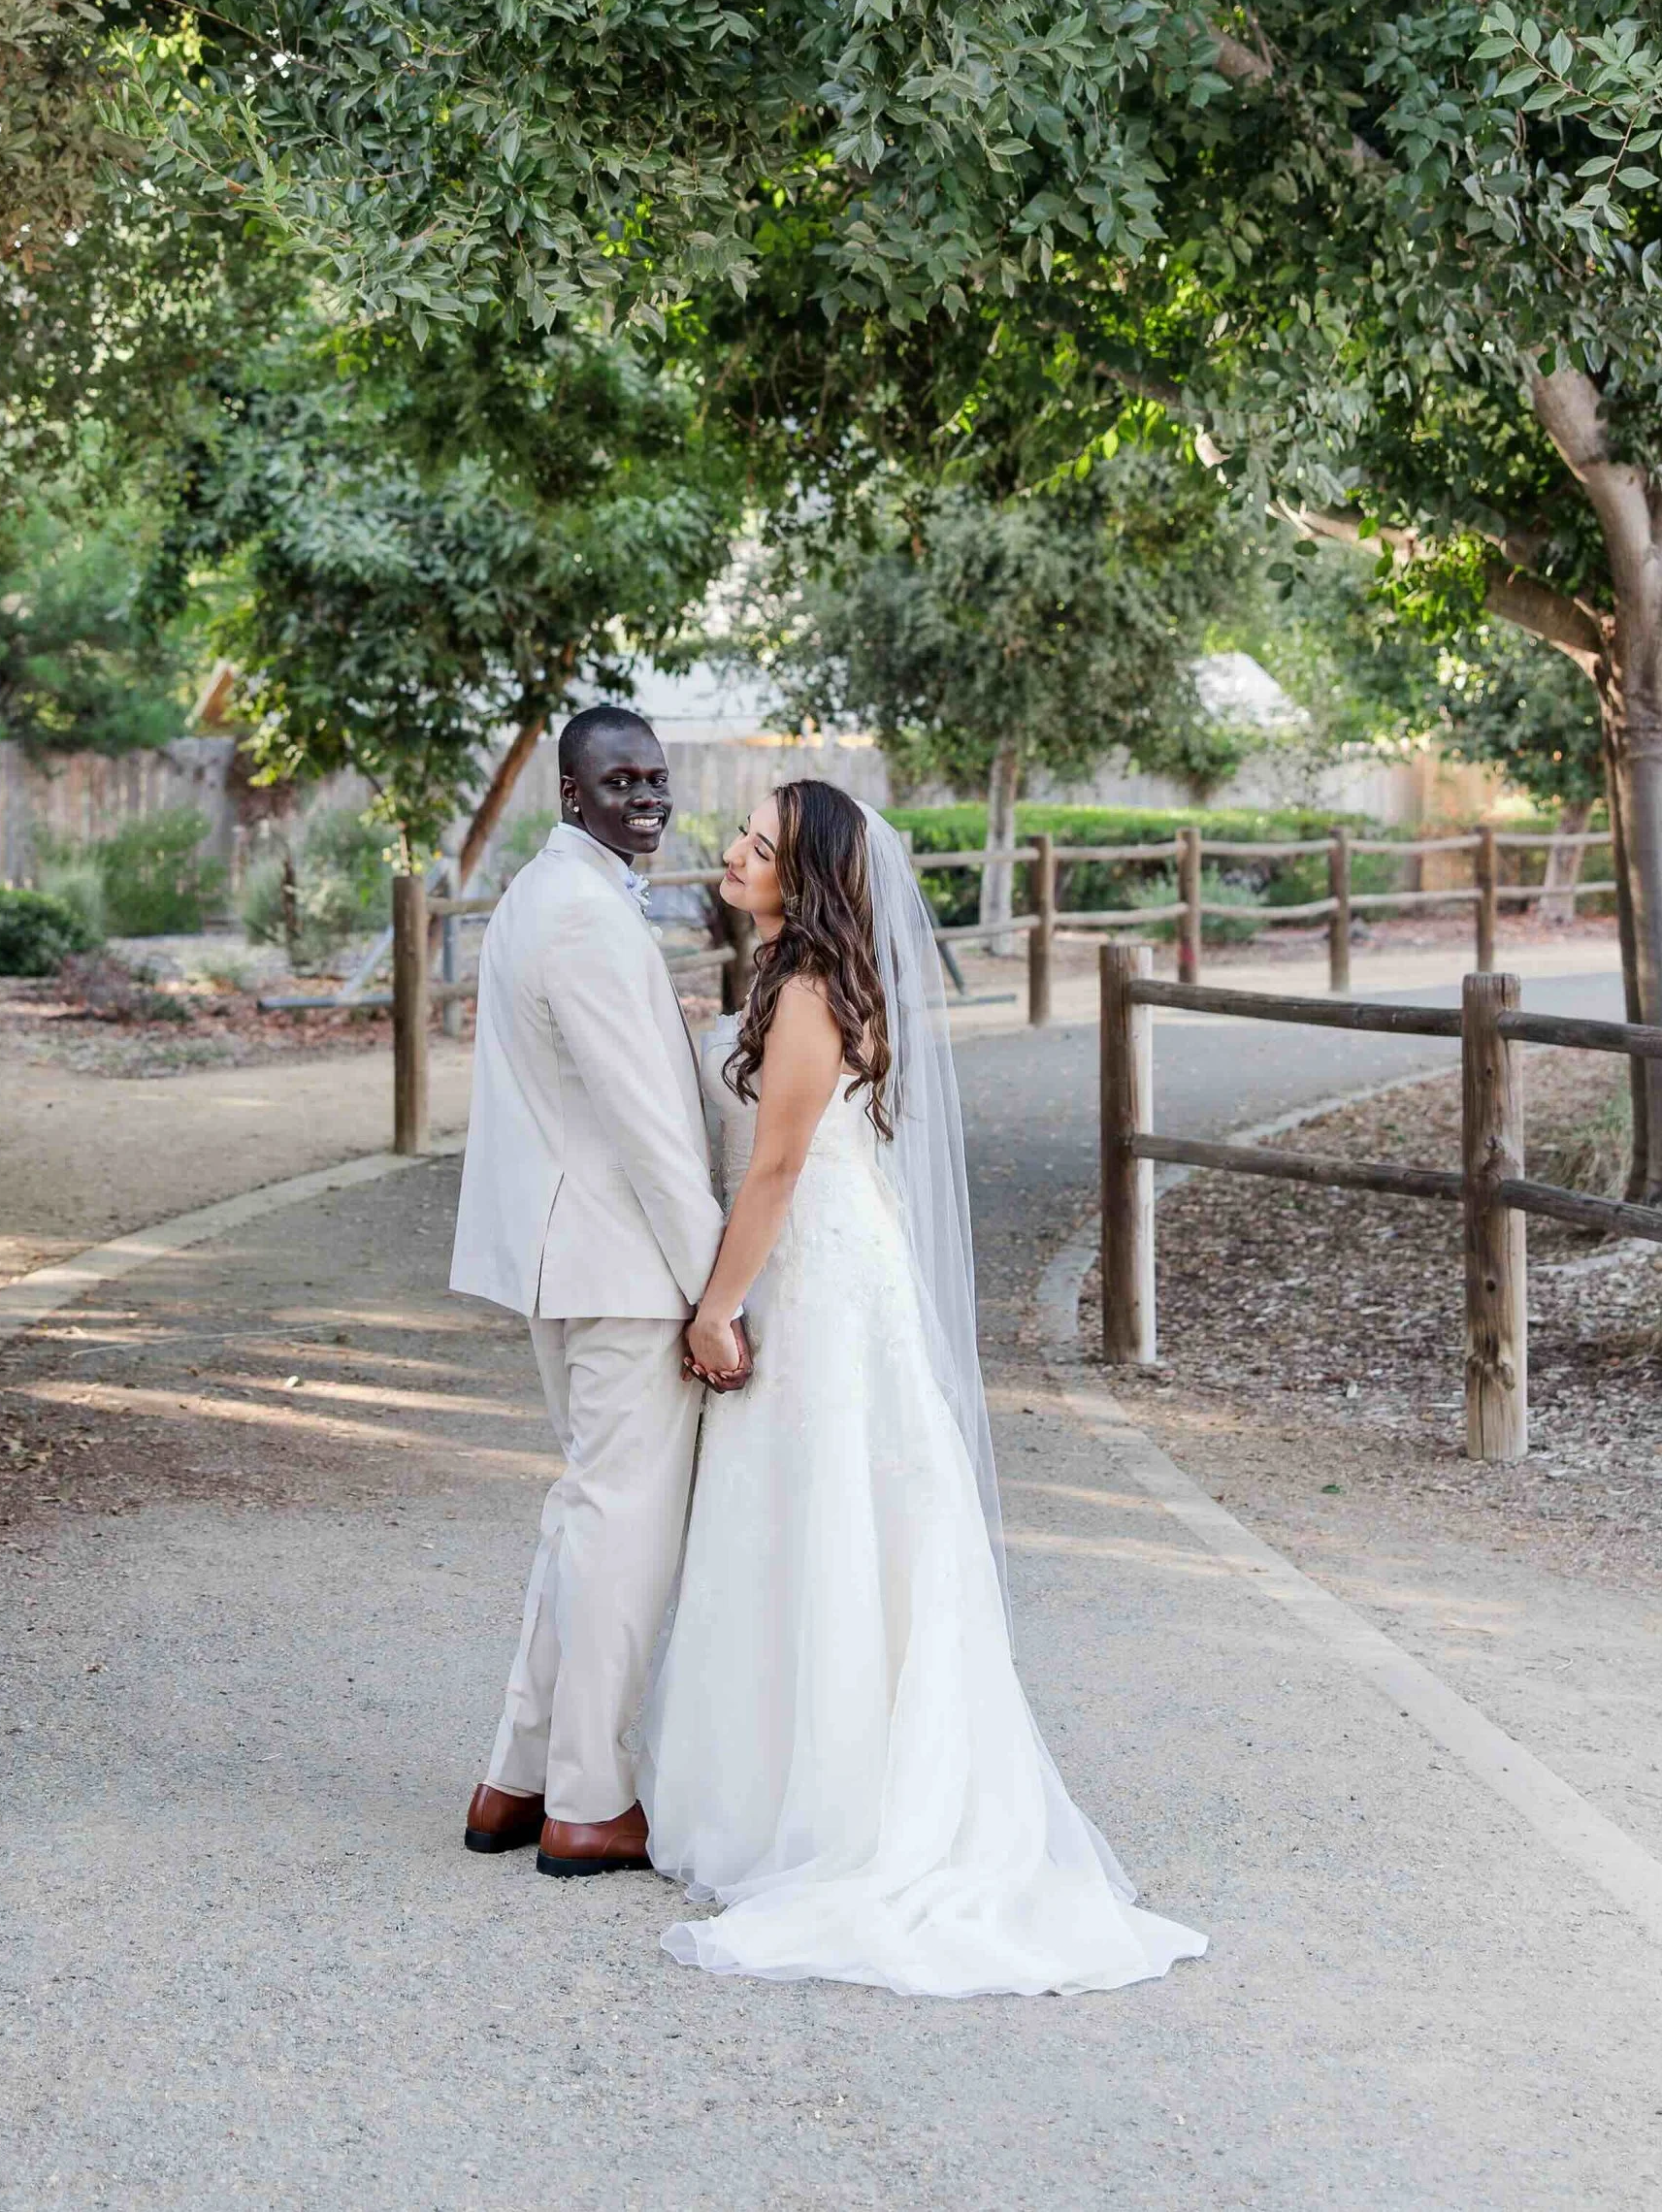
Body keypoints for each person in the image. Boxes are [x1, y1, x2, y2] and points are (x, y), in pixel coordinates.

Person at [642, 777, 1208, 1998]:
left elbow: (779, 1165)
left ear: (808, 877)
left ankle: (835, 1806)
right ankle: (783, 1777)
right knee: (811, 1518)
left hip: (820, 1278)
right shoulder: (798, 976)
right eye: (741, 834)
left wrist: (716, 1305)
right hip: (838, 1265)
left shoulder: (802, 991)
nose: (734, 852)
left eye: (761, 845)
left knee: (835, 1516)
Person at [447, 706, 736, 1879]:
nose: (646, 799)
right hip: (619, 1266)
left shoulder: (547, 896)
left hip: (573, 1259)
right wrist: (720, 1288)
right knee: (623, 1529)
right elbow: (651, 1126)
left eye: (657, 779)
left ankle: (515, 1779)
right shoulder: (581, 914)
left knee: (584, 1516)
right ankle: (586, 1800)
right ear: (571, 794)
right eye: (620, 781)